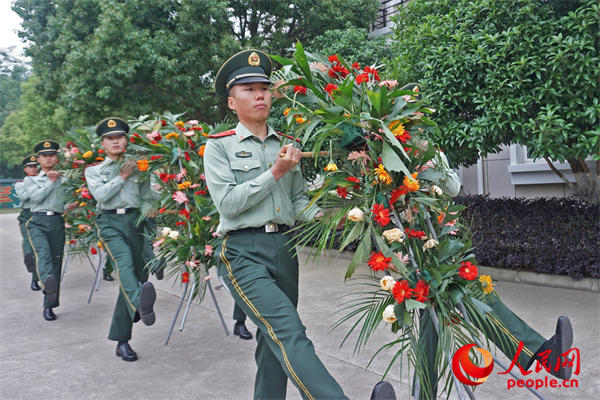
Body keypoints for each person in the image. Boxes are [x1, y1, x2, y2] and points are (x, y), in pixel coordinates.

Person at [205, 49, 355, 400]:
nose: (260, 94)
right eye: (249, 89)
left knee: (273, 340)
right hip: (242, 252)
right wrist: (275, 172)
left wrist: (332, 216)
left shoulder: (289, 145)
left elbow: (298, 201)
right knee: (289, 332)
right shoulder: (219, 147)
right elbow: (227, 204)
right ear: (231, 101)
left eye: (265, 88)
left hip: (284, 248)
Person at [85, 117, 158, 362]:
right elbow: (101, 196)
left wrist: (151, 207)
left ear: (126, 140)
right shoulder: (94, 170)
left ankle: (122, 340)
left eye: (119, 136)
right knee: (124, 265)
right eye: (110, 138)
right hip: (109, 223)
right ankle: (140, 303)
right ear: (103, 143)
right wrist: (123, 178)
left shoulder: (140, 166)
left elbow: (148, 196)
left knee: (135, 279)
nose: (115, 141)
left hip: (136, 222)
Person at [25, 140, 76, 321]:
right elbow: (36, 197)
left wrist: (75, 204)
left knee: (55, 263)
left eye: (52, 155)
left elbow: (65, 202)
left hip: (57, 221)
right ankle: (46, 284)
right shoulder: (31, 179)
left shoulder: (65, 178)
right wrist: (50, 181)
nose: (48, 158)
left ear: (56, 158)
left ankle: (49, 305)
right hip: (37, 222)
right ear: (38, 159)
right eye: (44, 156)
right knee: (44, 255)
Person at [14, 155, 41, 291]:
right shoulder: (20, 184)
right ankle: (27, 255)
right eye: (31, 167)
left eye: (36, 166)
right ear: (25, 169)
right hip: (27, 214)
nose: (34, 169)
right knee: (28, 240)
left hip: (40, 214)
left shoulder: (44, 180)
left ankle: (35, 280)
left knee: (38, 249)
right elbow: (24, 196)